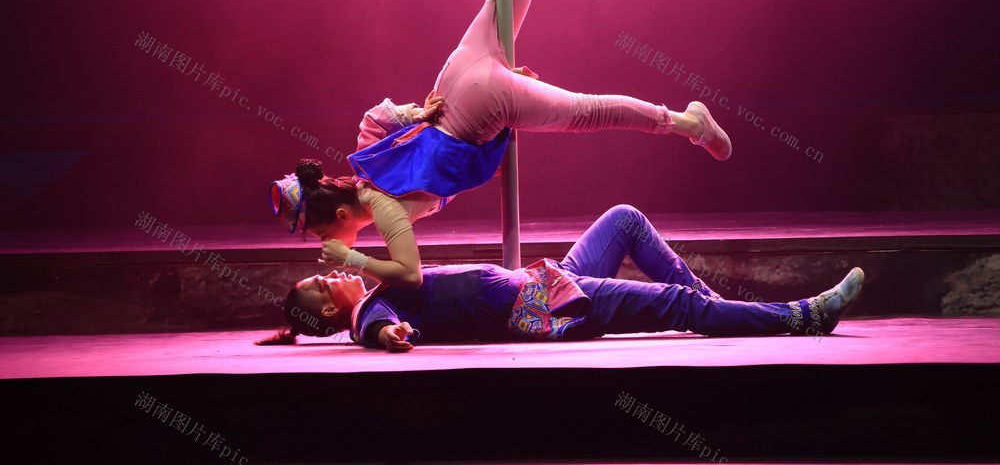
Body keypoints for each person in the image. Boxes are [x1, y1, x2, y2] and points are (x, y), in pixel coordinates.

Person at [268, 0, 732, 290]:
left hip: (476, 109)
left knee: (588, 111)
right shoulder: (366, 155)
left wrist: (352, 257)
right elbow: (375, 116)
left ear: (341, 215)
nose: (325, 247)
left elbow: (409, 275)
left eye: (323, 235)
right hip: (455, 77)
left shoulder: (384, 208)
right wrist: (416, 112)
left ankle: (689, 122)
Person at [255, 205, 865, 350]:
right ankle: (801, 317)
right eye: (322, 285)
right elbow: (381, 332)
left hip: (544, 280)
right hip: (544, 306)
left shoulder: (380, 287)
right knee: (675, 305)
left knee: (624, 221)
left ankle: (724, 311)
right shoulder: (369, 314)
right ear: (330, 311)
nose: (331, 276)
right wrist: (390, 337)